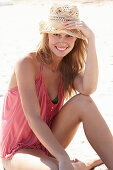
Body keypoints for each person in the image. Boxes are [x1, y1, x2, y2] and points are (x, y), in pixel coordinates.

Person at [0, 3, 113, 170]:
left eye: (69, 36)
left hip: (49, 145)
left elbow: (88, 88)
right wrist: (63, 156)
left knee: (84, 101)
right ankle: (83, 164)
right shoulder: (26, 63)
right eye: (56, 34)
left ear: (76, 39)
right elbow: (33, 118)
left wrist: (92, 39)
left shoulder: (67, 69)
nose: (62, 41)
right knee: (57, 168)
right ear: (47, 35)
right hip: (19, 150)